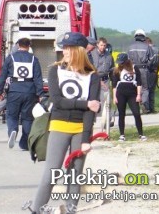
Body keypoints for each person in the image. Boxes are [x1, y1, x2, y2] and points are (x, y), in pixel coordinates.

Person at [30, 32, 101, 214]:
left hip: (80, 130)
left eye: (68, 48)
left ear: (78, 51)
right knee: (51, 173)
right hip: (59, 125)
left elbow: (91, 113)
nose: (64, 51)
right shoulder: (56, 70)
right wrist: (85, 104)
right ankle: (36, 210)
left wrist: (86, 139)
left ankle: (71, 210)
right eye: (64, 47)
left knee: (75, 175)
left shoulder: (93, 76)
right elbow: (57, 100)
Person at [0, 38, 43, 151]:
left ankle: (13, 130)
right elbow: (38, 78)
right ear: (29, 46)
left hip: (14, 90)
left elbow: (2, 75)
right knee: (27, 118)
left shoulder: (10, 58)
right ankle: (24, 143)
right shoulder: (34, 59)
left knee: (12, 115)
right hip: (30, 92)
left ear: (18, 45)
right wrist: (40, 93)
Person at [111, 53, 146, 141]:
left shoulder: (134, 68)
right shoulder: (116, 70)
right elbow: (114, 85)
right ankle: (122, 134)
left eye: (122, 62)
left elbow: (139, 82)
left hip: (132, 94)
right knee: (121, 114)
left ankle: (141, 134)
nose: (120, 64)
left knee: (136, 113)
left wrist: (138, 95)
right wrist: (114, 97)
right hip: (121, 93)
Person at [89, 37, 115, 126]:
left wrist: (114, 83)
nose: (103, 47)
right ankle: (91, 120)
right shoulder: (91, 54)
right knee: (93, 99)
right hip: (93, 80)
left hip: (105, 80)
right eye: (101, 45)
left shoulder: (109, 56)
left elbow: (112, 69)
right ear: (97, 45)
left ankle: (108, 120)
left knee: (106, 100)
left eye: (104, 45)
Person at [127, 29, 154, 113]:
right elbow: (152, 59)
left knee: (134, 87)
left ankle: (135, 106)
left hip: (133, 69)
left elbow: (127, 59)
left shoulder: (130, 47)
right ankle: (144, 105)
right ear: (143, 37)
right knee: (145, 88)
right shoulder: (147, 47)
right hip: (144, 69)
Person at [145, 36, 159, 113]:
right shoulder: (157, 50)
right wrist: (156, 71)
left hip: (147, 71)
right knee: (152, 91)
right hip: (155, 72)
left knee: (146, 90)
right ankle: (152, 108)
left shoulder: (148, 49)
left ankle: (147, 108)